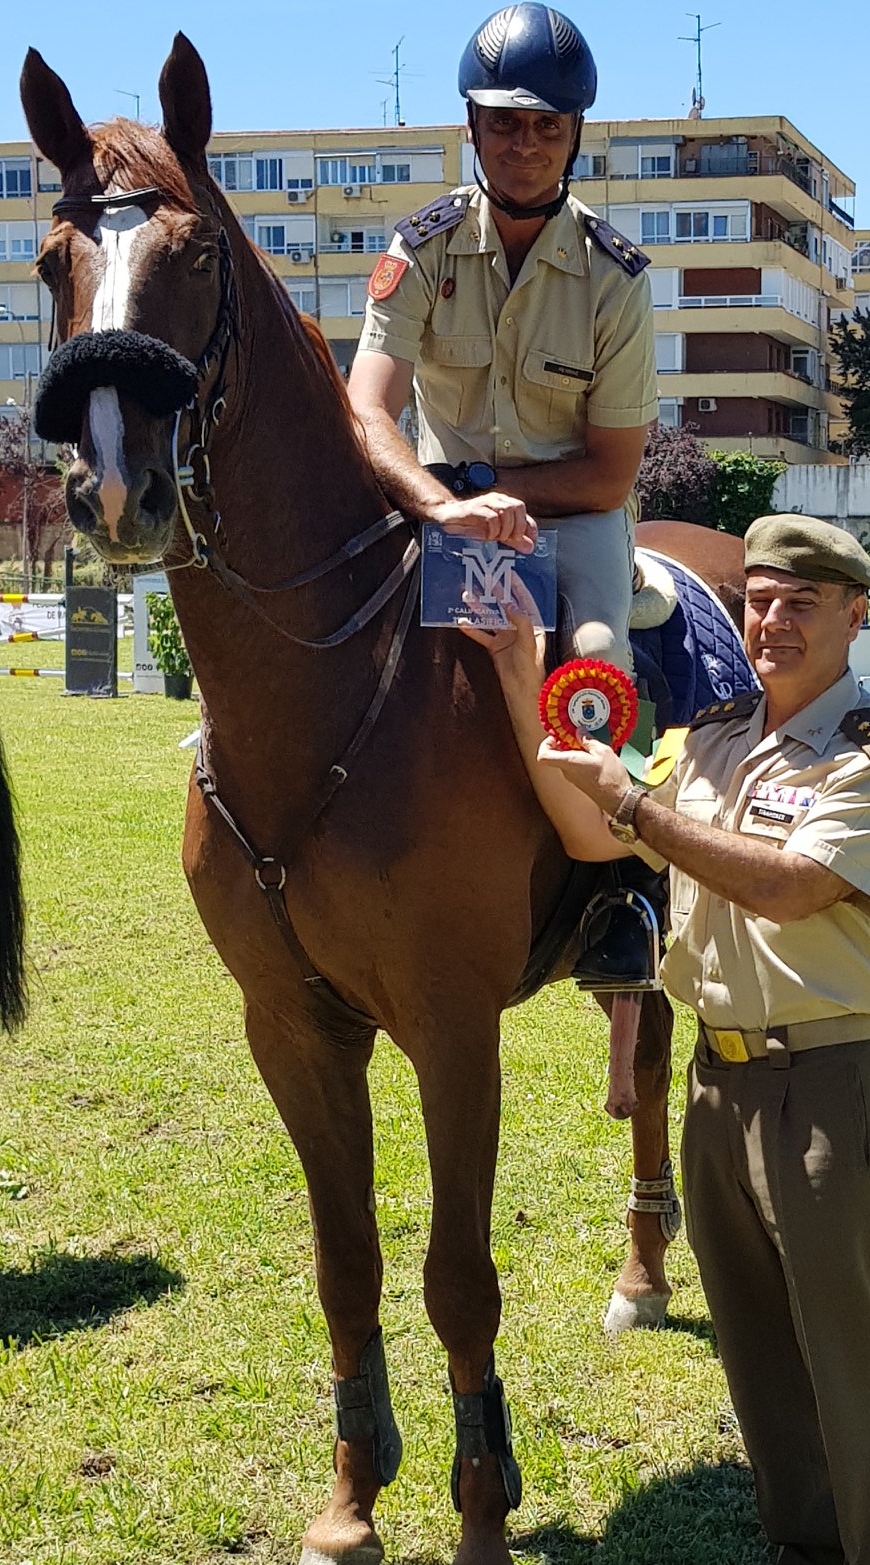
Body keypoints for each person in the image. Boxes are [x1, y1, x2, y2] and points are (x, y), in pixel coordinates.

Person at [473, 515, 870, 1565]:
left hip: (831, 1084)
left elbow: (787, 887)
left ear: (854, 616)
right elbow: (593, 832)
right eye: (759, 601)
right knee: (759, 1358)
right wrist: (522, 676)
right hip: (718, 1080)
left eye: (803, 603)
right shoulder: (716, 737)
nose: (772, 622)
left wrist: (638, 802)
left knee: (848, 1366)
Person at [348, 3, 660, 986]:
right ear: (472, 127)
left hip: (576, 519)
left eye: (546, 125)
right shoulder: (421, 248)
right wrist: (444, 507)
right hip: (446, 518)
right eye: (505, 122)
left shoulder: (615, 277)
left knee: (595, 661)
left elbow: (609, 472)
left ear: (574, 136)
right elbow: (366, 410)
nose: (525, 143)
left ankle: (618, 893)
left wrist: (481, 488)